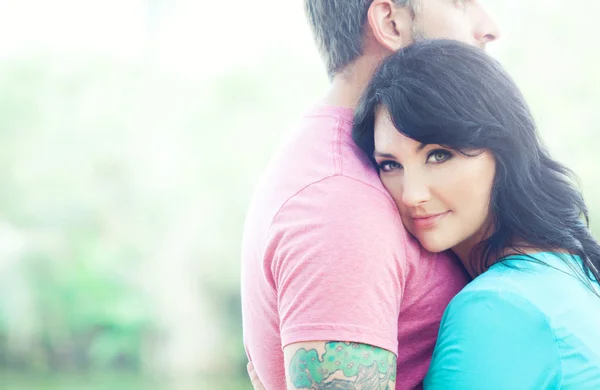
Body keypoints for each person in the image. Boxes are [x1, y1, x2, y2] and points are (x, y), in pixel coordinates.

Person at [241, 0, 500, 389]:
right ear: (390, 22)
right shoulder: (341, 204)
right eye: (460, 3)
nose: (489, 27)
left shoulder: (334, 166)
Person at [349, 39, 600, 388]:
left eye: (438, 155)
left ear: (503, 150)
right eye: (390, 164)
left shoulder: (496, 308)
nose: (412, 195)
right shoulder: (574, 268)